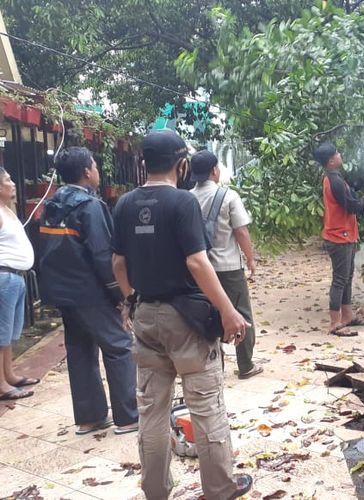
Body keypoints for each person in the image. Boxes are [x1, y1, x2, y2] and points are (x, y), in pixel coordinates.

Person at [111, 129, 251, 500]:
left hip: (146, 317)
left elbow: (118, 263)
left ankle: (155, 490)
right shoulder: (182, 203)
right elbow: (196, 262)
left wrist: (131, 301)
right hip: (186, 320)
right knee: (206, 408)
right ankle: (220, 488)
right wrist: (228, 310)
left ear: (143, 164)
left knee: (152, 413)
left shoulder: (124, 205)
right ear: (182, 164)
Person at [36, 147, 139, 435]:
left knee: (80, 351)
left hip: (63, 293)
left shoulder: (52, 205)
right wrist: (120, 295)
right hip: (91, 292)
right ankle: (128, 416)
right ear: (86, 172)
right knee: (119, 346)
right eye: (94, 165)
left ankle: (89, 418)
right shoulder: (90, 207)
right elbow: (102, 255)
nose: (97, 171)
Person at [190, 150, 262, 379]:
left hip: (200, 269)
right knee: (242, 315)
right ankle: (246, 365)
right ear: (214, 170)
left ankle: (213, 364)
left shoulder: (187, 198)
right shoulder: (229, 196)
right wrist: (250, 259)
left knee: (206, 314)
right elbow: (241, 231)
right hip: (228, 267)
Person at [313, 142, 364, 337]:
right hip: (338, 236)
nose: (340, 155)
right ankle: (335, 322)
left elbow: (353, 189)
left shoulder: (335, 178)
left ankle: (347, 315)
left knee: (347, 276)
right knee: (340, 279)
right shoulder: (333, 181)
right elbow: (355, 207)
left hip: (344, 234)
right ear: (332, 160)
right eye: (337, 153)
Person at [0, 166, 38, 400]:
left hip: (16, 278)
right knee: (1, 334)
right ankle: (2, 385)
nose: (13, 183)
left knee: (10, 333)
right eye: (8, 179)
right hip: (4, 277)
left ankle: (10, 374)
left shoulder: (7, 210)